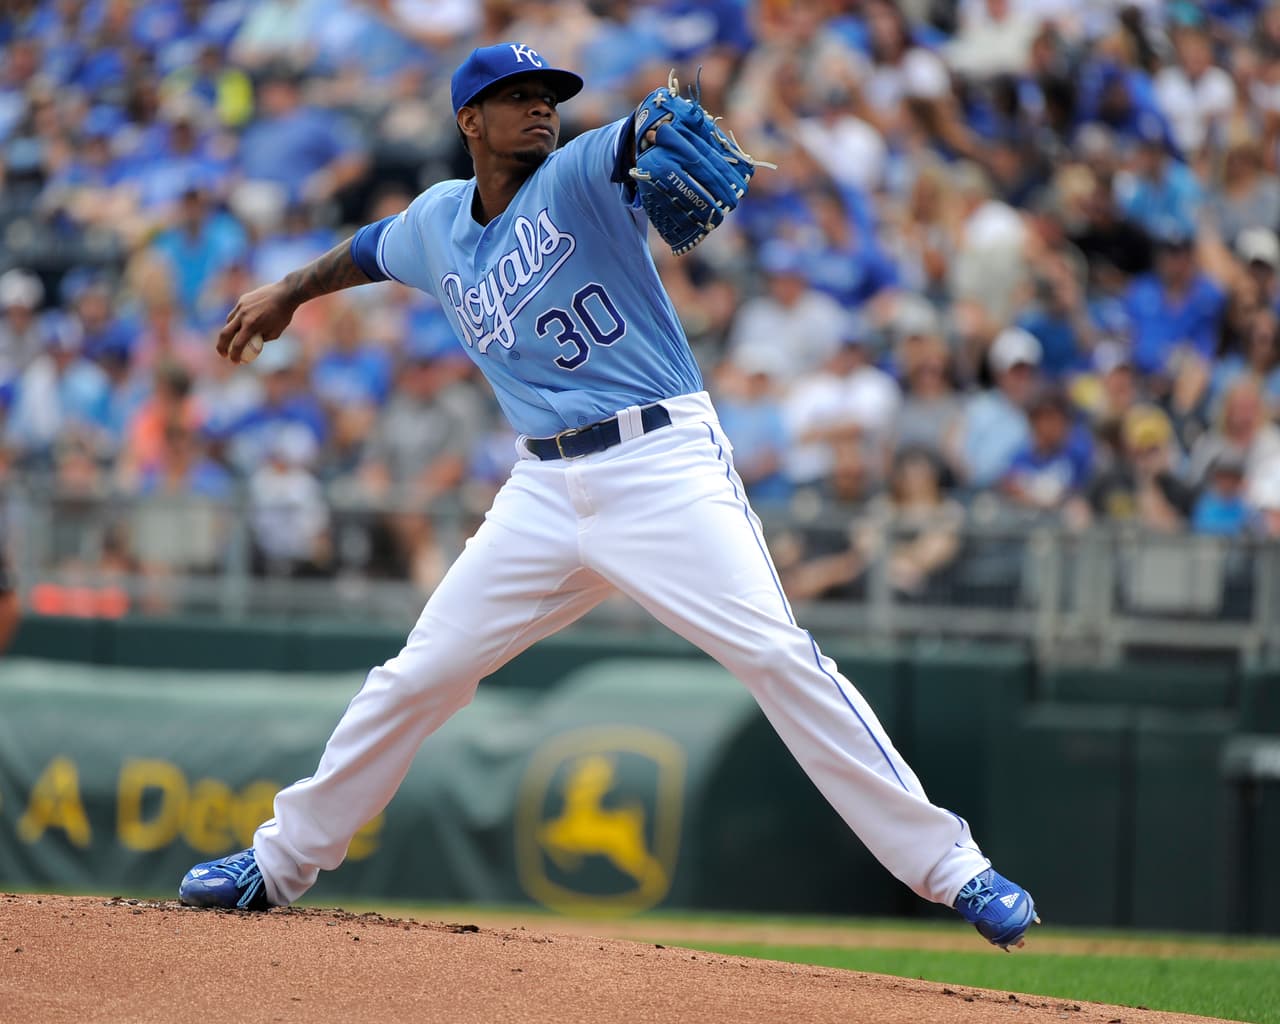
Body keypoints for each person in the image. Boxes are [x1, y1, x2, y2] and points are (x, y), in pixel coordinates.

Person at [176, 42, 1038, 950]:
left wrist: (653, 127)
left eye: (548, 94)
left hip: (663, 464)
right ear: (470, 120)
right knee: (418, 675)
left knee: (777, 656)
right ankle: (276, 867)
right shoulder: (435, 223)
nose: (541, 108)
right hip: (542, 489)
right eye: (517, 96)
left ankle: (956, 871)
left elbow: (633, 138)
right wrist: (287, 291)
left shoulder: (579, 170)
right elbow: (365, 251)